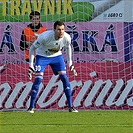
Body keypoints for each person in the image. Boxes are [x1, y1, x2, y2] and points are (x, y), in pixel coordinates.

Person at [27, 21, 78, 113]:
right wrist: (31, 65)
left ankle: (71, 106)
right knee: (38, 79)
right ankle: (31, 107)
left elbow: (68, 47)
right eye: (59, 29)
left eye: (62, 29)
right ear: (54, 30)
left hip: (57, 57)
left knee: (64, 77)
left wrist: (70, 63)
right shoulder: (44, 37)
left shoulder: (66, 37)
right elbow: (32, 48)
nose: (61, 31)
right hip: (42, 56)